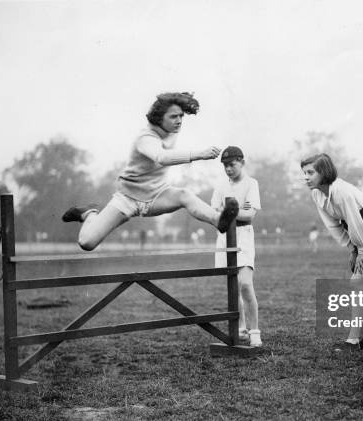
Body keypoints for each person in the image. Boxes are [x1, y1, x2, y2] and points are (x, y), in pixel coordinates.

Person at [62, 92, 239, 250]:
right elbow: (161, 157)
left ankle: (219, 221)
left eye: (181, 116)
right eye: (173, 117)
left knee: (185, 194)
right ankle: (89, 214)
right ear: (159, 118)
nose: (179, 121)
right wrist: (198, 154)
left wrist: (185, 101)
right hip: (127, 199)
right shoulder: (145, 138)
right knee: (87, 243)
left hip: (157, 194)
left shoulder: (171, 129)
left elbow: (173, 99)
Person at [301, 153, 363, 351]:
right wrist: (351, 248)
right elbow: (333, 225)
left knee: (357, 281)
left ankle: (353, 340)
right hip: (358, 232)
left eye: (310, 172)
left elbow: (356, 221)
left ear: (324, 172)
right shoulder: (316, 193)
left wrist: (362, 250)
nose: (306, 177)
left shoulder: (342, 192)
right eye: (304, 173)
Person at [212, 146, 262, 347]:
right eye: (225, 166)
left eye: (232, 165)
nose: (228, 169)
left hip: (243, 236)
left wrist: (229, 212)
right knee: (232, 287)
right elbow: (215, 214)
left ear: (242, 162)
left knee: (245, 284)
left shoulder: (251, 183)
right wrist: (234, 211)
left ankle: (254, 331)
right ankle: (240, 328)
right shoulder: (221, 185)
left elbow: (249, 214)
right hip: (224, 237)